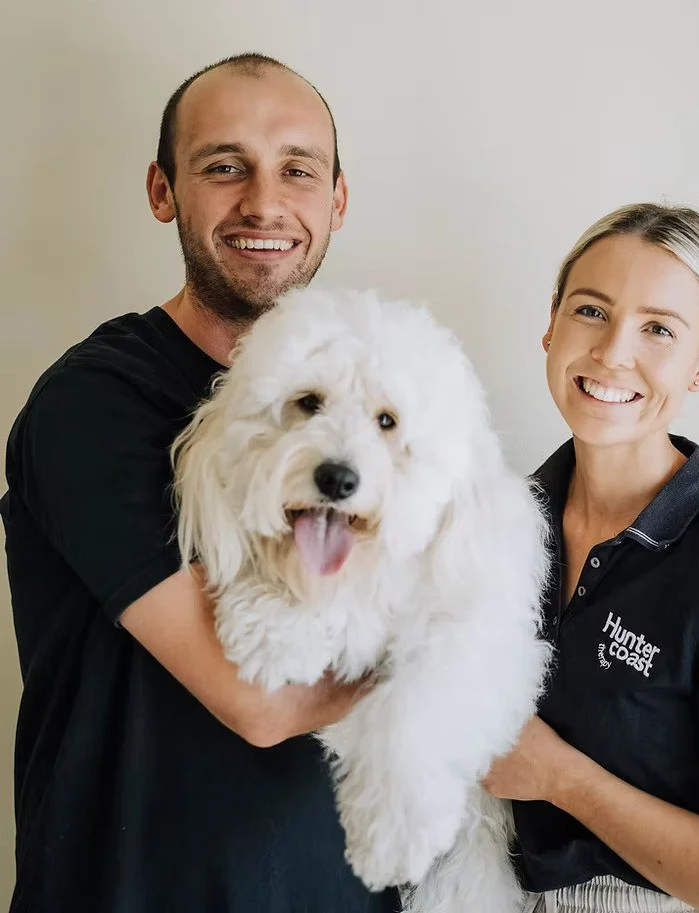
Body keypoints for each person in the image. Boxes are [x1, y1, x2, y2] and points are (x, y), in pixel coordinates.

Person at [1, 53, 400, 913]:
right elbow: (263, 703)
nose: (264, 202)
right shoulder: (96, 403)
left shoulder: (377, 409)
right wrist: (458, 683)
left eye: (298, 169)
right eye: (224, 167)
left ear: (336, 199)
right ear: (162, 190)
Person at [483, 203, 699, 913]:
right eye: (592, 311)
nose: (613, 352)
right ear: (552, 324)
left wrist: (562, 778)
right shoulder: (497, 520)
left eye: (658, 329)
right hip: (483, 885)